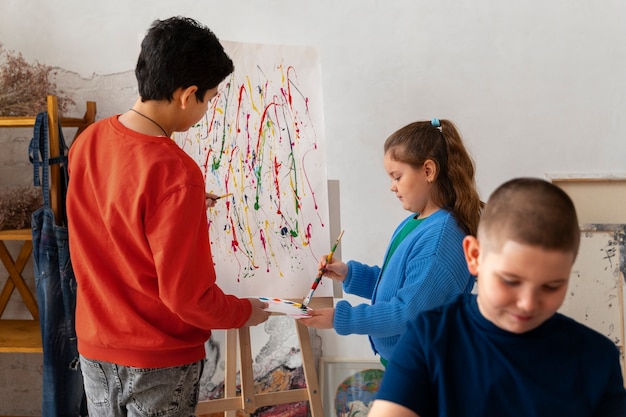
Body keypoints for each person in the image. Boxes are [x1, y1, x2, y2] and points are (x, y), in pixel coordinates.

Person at [66, 16, 270, 416]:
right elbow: (187, 297)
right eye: (209, 99)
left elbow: (116, 216)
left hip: (95, 347)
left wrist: (183, 204)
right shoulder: (176, 171)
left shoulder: (89, 140)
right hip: (158, 359)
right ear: (186, 94)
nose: (207, 110)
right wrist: (245, 311)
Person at [368, 177, 626, 417]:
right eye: (511, 281)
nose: (527, 303)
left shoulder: (596, 358)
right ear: (474, 256)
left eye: (551, 286)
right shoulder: (429, 339)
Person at [300, 118, 483, 365]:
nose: (392, 187)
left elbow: (407, 312)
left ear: (428, 171)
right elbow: (401, 287)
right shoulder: (417, 222)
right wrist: (349, 274)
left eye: (397, 177)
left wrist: (340, 319)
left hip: (425, 370)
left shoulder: (440, 238)